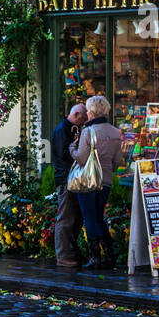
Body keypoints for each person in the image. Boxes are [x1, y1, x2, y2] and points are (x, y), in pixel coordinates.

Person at [70, 95, 125, 268]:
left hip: (88, 181)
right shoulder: (115, 132)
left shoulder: (88, 131)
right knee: (99, 217)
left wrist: (72, 148)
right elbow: (118, 161)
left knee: (90, 218)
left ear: (92, 112)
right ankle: (109, 254)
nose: (86, 113)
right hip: (106, 180)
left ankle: (95, 258)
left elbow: (81, 159)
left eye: (87, 110)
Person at [51, 103, 88, 267]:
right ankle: (63, 254)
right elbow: (64, 154)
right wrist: (78, 145)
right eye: (84, 118)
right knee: (66, 217)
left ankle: (71, 252)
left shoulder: (71, 128)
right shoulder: (62, 130)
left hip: (73, 178)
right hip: (66, 178)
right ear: (77, 115)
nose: (85, 121)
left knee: (76, 217)